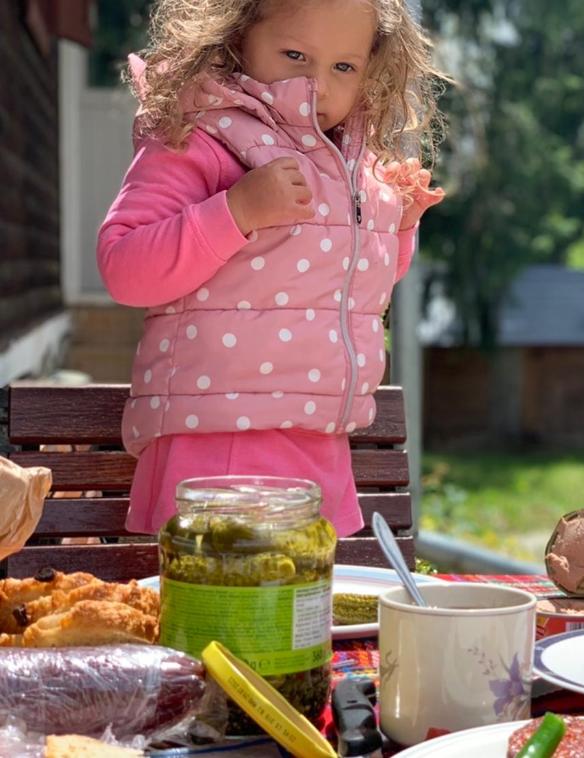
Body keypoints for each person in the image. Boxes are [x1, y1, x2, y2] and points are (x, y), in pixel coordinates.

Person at [97, 0, 446, 535]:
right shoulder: (201, 136)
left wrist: (398, 225)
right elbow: (125, 267)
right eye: (294, 55)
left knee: (306, 615)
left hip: (319, 441)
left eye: (343, 67)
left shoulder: (356, 161)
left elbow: (357, 284)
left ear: (372, 70)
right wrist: (235, 211)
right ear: (236, 39)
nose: (318, 85)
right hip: (217, 439)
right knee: (223, 612)